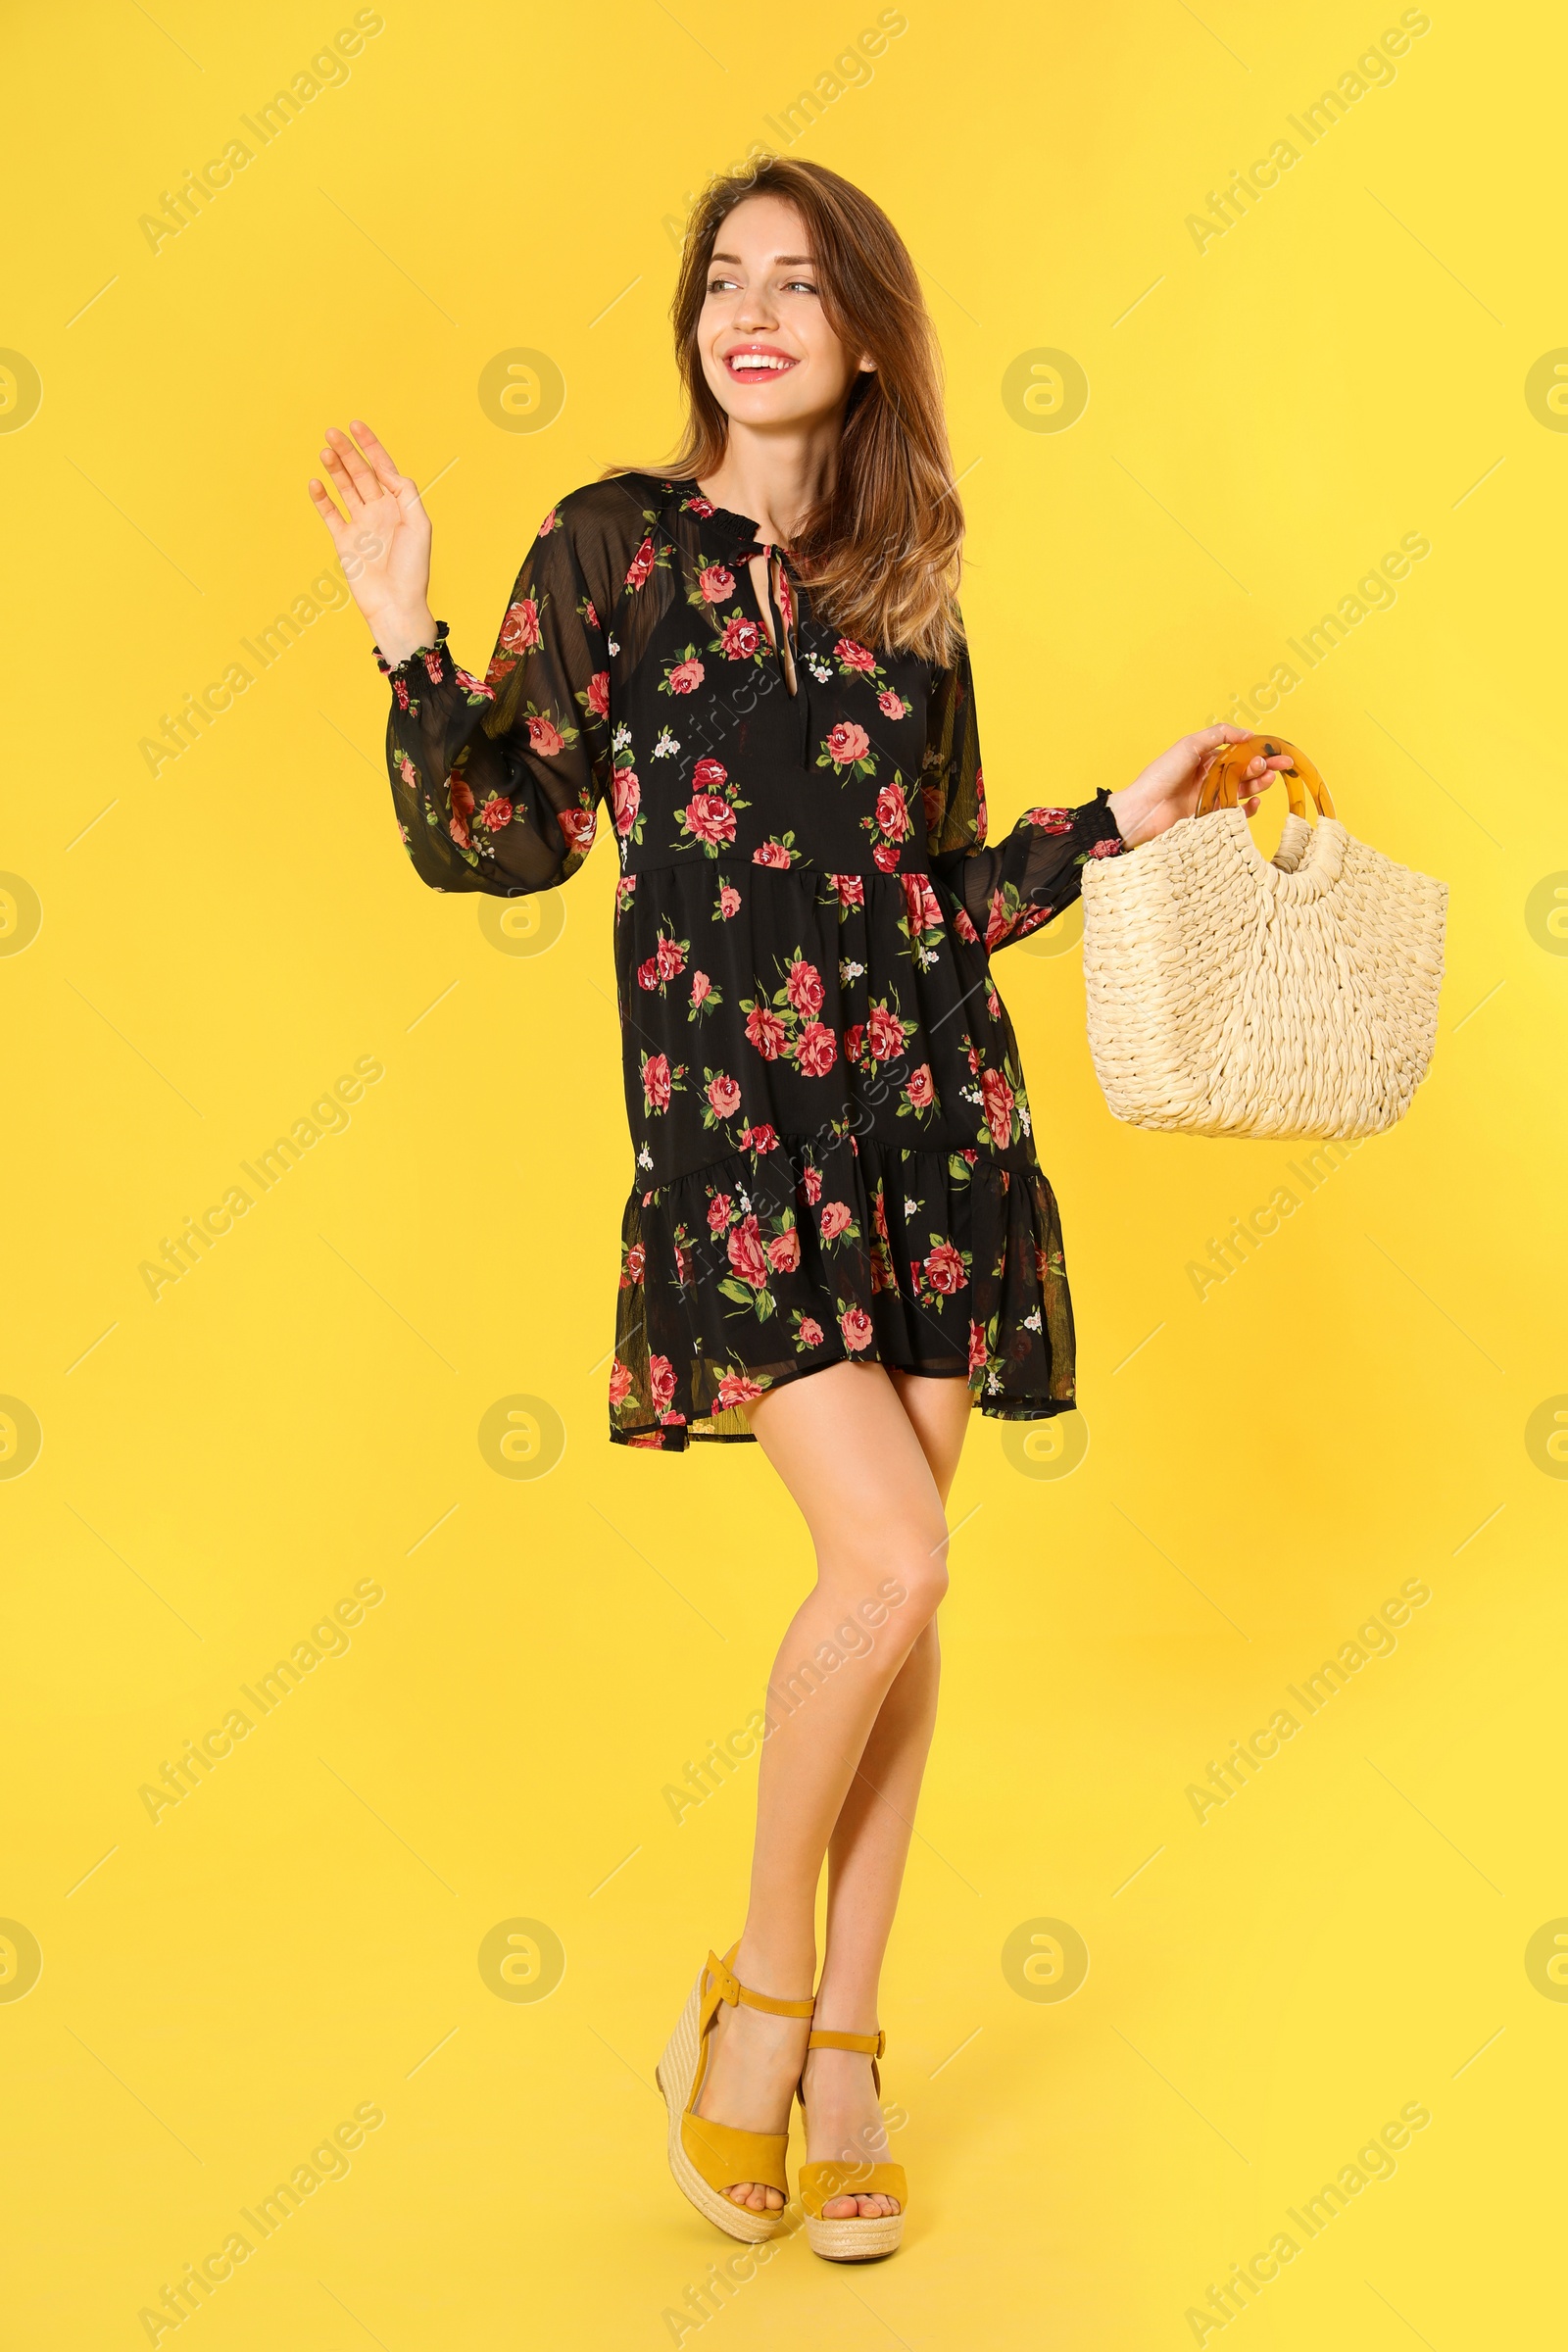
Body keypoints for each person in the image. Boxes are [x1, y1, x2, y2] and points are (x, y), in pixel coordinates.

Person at [309, 154, 1285, 2263]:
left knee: (906, 1602)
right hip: (736, 1147)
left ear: (859, 333)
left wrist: (1126, 810)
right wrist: (403, 629)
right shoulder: (611, 555)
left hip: (928, 1135)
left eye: (797, 281)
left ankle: (847, 2044)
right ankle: (752, 2009)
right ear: (699, 328)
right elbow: (503, 838)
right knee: (891, 1554)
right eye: (723, 279)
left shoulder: (904, 595)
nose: (751, 309)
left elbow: (933, 900)